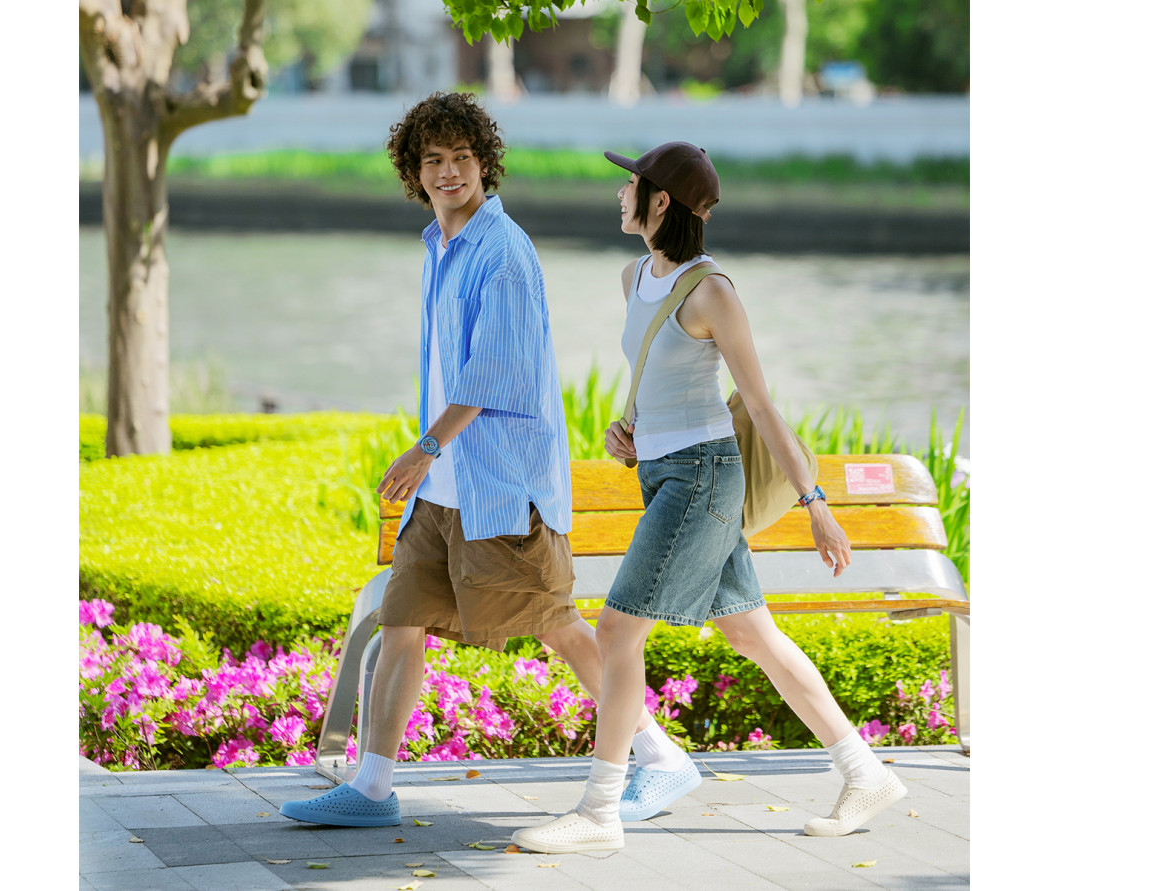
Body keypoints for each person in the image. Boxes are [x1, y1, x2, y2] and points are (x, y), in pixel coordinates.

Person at [280, 94, 686, 828]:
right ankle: (373, 786)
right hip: (445, 491)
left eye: (461, 158)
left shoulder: (502, 250)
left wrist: (425, 444)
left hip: (500, 487)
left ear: (484, 164)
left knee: (556, 625)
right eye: (432, 160)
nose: (447, 172)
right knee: (401, 619)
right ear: (414, 170)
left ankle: (658, 754)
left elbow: (492, 369)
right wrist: (431, 459)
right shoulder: (438, 241)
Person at [511, 142, 908, 854]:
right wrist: (625, 429)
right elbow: (659, 382)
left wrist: (816, 501)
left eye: (630, 183)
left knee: (616, 631)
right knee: (752, 632)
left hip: (703, 479)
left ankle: (600, 809)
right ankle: (865, 770)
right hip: (663, 473)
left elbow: (758, 401)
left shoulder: (712, 292)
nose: (620, 192)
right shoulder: (633, 276)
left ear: (661, 201)